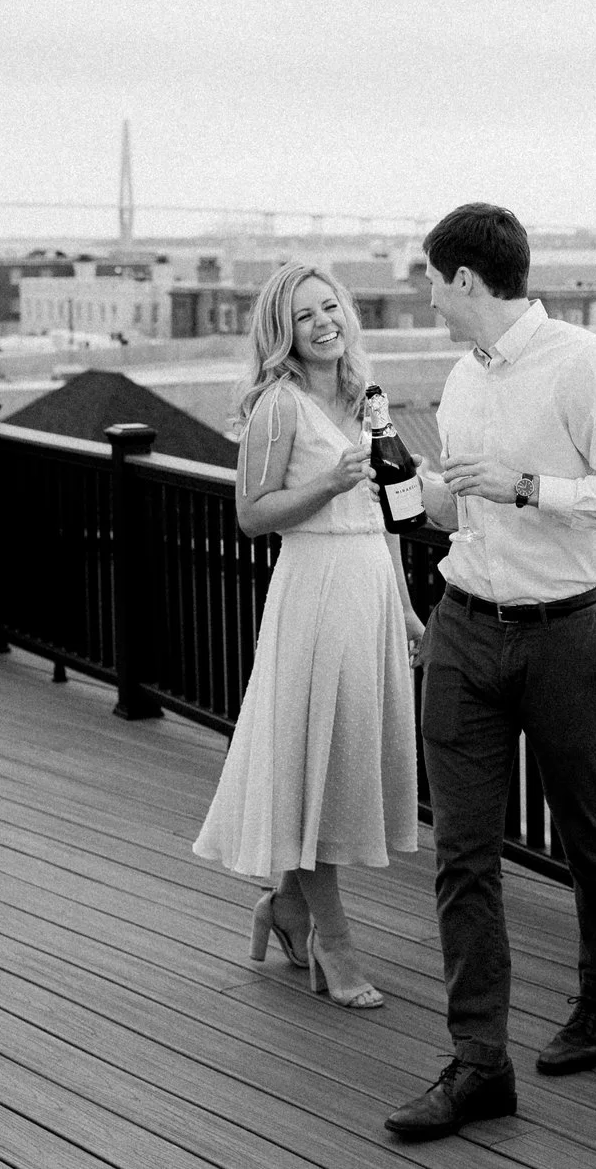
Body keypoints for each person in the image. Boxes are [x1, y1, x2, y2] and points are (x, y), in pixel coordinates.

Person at [384, 204, 596, 1142]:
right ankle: (479, 1065)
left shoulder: (586, 362)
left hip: (564, 634)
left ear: (467, 279)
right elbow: (463, 514)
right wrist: (412, 488)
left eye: (431, 279)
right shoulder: (463, 379)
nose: (425, 296)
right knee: (464, 853)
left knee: (592, 833)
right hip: (465, 627)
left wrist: (530, 486)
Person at [193, 262, 423, 1010]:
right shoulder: (278, 409)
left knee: (338, 755)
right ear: (281, 333)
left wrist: (407, 603)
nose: (323, 322)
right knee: (316, 767)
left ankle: (285, 906)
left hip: (368, 590)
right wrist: (327, 483)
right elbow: (252, 513)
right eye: (304, 316)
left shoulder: (365, 396)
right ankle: (334, 938)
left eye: (330, 307)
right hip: (315, 591)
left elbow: (387, 511)